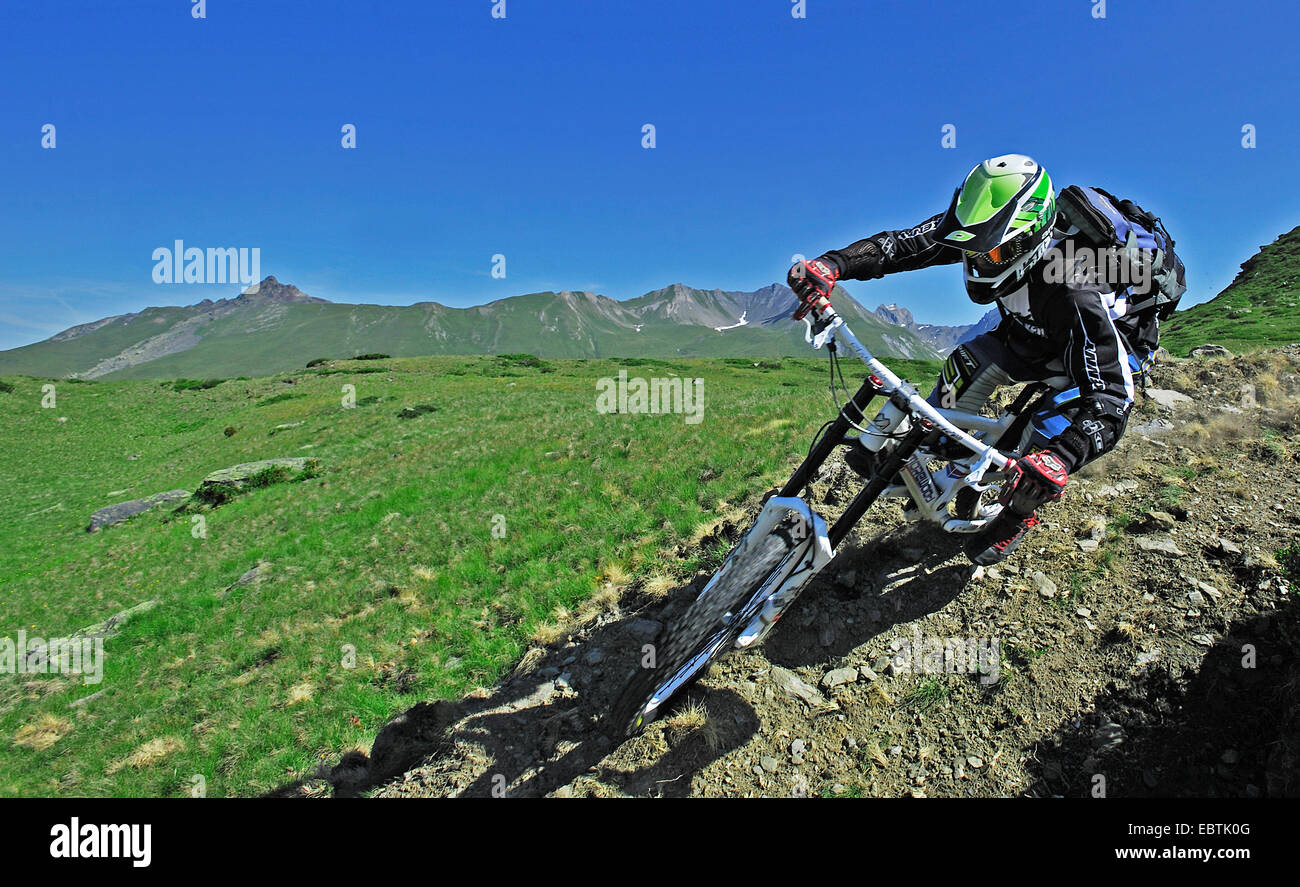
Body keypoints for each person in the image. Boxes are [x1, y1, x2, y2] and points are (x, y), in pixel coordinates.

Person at [788, 154, 1141, 565]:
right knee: (962, 372)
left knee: (1042, 448)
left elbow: (1113, 397)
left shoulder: (1073, 290)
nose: (975, 262)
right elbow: (901, 246)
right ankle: (952, 462)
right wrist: (833, 264)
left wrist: (1061, 458)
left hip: (1102, 351)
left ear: (1029, 240)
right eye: (970, 252)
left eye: (989, 256)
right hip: (1030, 330)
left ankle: (1017, 515)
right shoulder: (979, 230)